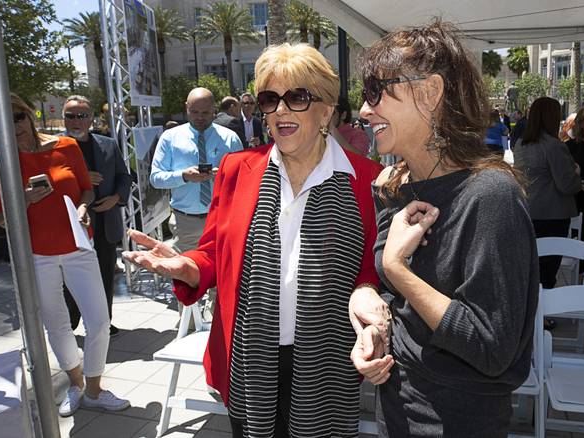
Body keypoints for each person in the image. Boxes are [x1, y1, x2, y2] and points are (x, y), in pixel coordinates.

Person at [124, 43, 389, 437]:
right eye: (269, 99)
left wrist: (370, 306)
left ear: (326, 110)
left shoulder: (367, 180)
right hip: (251, 362)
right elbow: (214, 251)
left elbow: (370, 270)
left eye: (297, 97)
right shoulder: (238, 169)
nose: (280, 110)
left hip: (326, 362)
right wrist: (190, 266)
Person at [350, 21, 538, 437]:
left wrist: (398, 268)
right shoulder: (396, 186)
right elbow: (394, 298)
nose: (364, 111)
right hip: (397, 403)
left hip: (456, 420)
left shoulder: (491, 196)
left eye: (376, 92)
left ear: (431, 92)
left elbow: (491, 348)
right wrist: (371, 320)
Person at [0, 93, 129, 417]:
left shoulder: (66, 147)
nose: (12, 124)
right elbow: (2, 218)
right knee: (57, 324)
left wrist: (84, 207)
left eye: (17, 115)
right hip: (37, 254)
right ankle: (76, 384)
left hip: (78, 247)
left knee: (99, 322)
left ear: (28, 114)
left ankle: (95, 388)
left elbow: (86, 188)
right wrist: (25, 198)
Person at [61, 95, 132, 336]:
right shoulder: (54, 147)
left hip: (105, 222)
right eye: (70, 116)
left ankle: (102, 323)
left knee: (104, 275)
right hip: (70, 226)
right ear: (64, 118)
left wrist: (116, 198)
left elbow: (124, 176)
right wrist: (79, 178)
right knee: (70, 279)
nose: (76, 121)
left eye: (81, 115)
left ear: (91, 118)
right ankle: (69, 324)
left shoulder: (108, 144)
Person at [150, 87, 242, 253]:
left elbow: (243, 179)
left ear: (214, 109)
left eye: (205, 113)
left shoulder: (230, 139)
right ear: (186, 107)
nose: (199, 117)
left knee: (222, 275)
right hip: (186, 223)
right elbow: (156, 178)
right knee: (186, 275)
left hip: (221, 219)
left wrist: (223, 175)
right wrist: (183, 176)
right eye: (194, 112)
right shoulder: (170, 138)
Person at [514, 97, 581, 289]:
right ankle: (543, 316)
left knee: (529, 268)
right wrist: (577, 173)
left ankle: (531, 314)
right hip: (553, 215)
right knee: (548, 269)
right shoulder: (554, 145)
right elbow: (567, 184)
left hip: (527, 211)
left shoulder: (521, 144)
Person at [566, 107, 584, 243]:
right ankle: (579, 264)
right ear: (581, 123)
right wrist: (577, 183)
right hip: (577, 200)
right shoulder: (569, 147)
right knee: (577, 240)